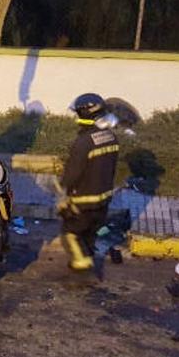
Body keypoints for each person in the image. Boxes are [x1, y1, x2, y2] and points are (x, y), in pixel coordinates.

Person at [56, 93, 120, 271]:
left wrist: (63, 191)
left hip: (84, 201)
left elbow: (72, 174)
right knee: (90, 232)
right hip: (104, 199)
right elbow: (112, 167)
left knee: (70, 233)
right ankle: (89, 255)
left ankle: (81, 263)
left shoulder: (83, 142)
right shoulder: (111, 136)